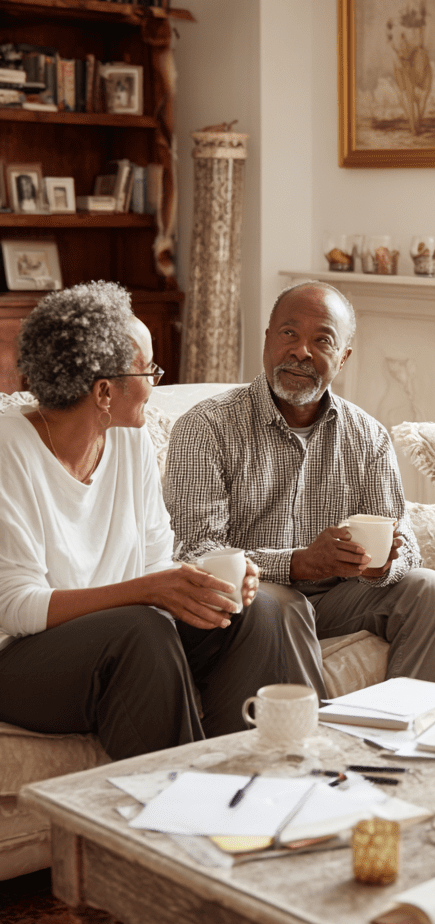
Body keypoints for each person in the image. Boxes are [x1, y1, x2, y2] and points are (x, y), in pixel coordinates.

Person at [0, 282, 305, 761]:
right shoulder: (8, 450)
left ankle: (241, 774)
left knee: (256, 610)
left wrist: (206, 582)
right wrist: (147, 593)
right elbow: (15, 607)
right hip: (20, 660)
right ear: (104, 391)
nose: (156, 381)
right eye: (148, 369)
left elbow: (154, 561)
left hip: (123, 631)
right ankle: (181, 809)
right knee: (144, 629)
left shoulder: (128, 439)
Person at [165, 280, 435, 686]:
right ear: (267, 340)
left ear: (343, 358)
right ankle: (310, 741)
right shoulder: (206, 427)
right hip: (254, 601)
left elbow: (405, 542)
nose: (301, 351)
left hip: (340, 598)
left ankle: (405, 735)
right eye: (289, 333)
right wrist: (299, 562)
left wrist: (383, 566)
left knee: (430, 590)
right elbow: (196, 551)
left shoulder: (368, 437)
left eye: (322, 340)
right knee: (283, 606)